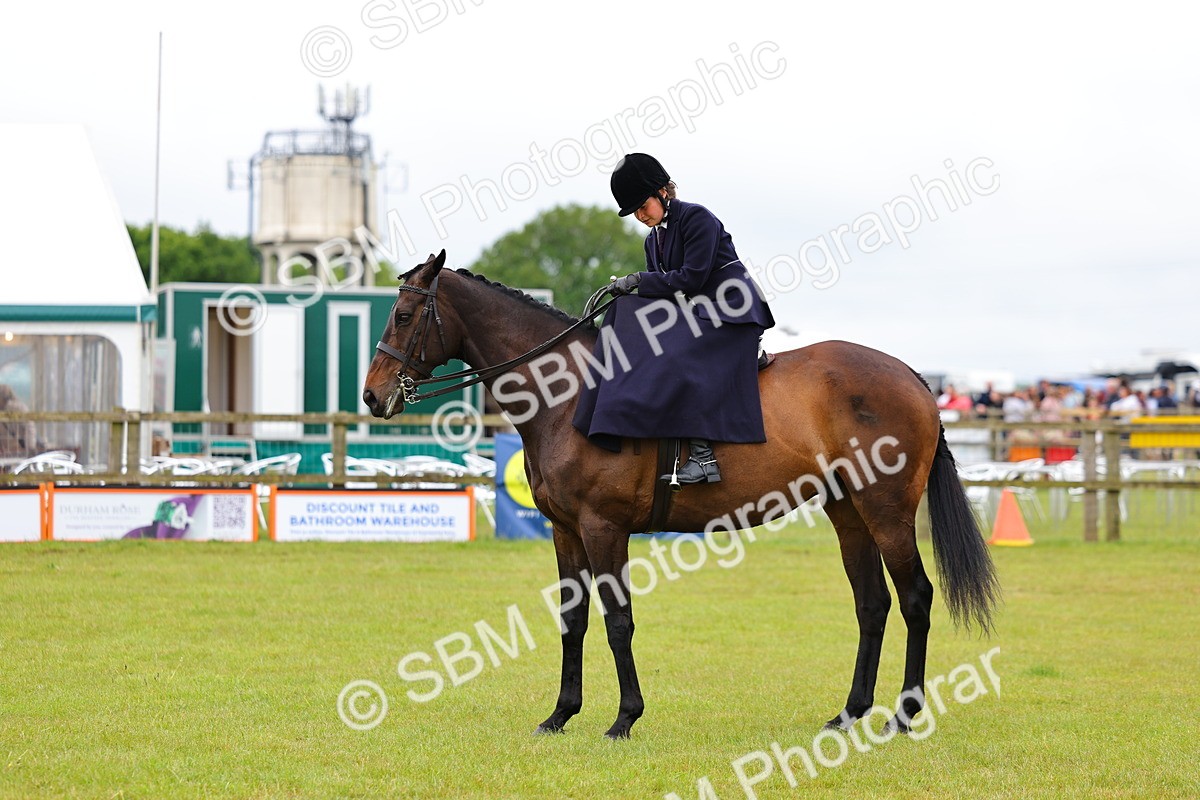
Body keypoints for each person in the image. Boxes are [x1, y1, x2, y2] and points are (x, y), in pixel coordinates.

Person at [571, 153, 775, 486]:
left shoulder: (697, 219)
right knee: (626, 315)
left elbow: (691, 279)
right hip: (696, 313)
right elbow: (663, 293)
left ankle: (704, 457)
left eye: (643, 205)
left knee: (676, 354)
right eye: (634, 211)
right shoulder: (652, 240)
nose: (640, 215)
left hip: (730, 311)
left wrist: (637, 280)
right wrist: (627, 294)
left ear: (663, 192)